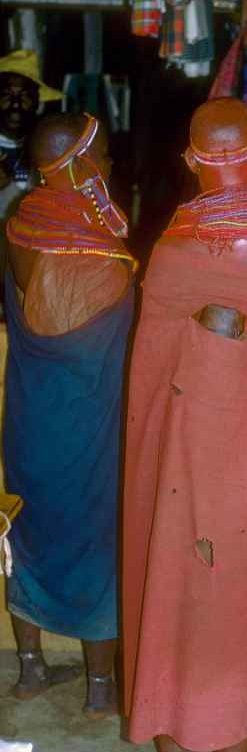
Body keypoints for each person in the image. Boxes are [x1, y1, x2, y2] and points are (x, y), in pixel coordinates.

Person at [121, 97, 247, 752]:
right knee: (237, 602)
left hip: (171, 458)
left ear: (189, 160)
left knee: (167, 587)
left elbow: (150, 365)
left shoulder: (168, 250)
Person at [4, 112, 136, 719]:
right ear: (82, 166)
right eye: (104, 156)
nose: (110, 167)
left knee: (27, 530)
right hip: (92, 427)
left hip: (30, 419)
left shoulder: (19, 224)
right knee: (95, 541)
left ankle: (31, 668)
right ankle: (101, 687)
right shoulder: (100, 256)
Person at [0, 50, 62, 273]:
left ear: (37, 101)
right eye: (6, 95)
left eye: (24, 95)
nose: (15, 104)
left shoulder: (50, 147)